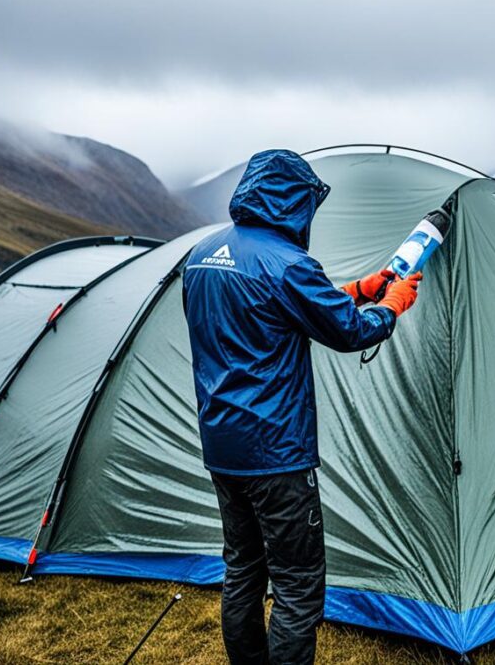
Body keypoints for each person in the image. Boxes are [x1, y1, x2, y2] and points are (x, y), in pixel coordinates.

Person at [182, 149, 422, 664]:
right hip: (278, 455)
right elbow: (350, 330)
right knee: (296, 586)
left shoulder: (201, 257)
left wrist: (360, 289)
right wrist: (391, 304)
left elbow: (276, 310)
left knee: (243, 568)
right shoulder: (289, 264)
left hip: (222, 447)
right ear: (292, 200)